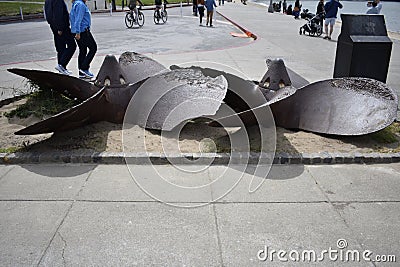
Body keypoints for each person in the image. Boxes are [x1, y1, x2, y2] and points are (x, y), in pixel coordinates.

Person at [44, 0, 76, 75]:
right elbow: (58, 13)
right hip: (62, 27)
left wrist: (54, 26)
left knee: (60, 48)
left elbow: (48, 14)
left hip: (54, 26)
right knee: (72, 45)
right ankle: (61, 64)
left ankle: (62, 68)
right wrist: (60, 28)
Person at [70, 0, 97, 79]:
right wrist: (78, 32)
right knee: (93, 48)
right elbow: (78, 19)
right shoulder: (80, 5)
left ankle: (81, 72)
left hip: (78, 31)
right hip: (82, 31)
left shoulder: (76, 3)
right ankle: (84, 68)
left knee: (83, 50)